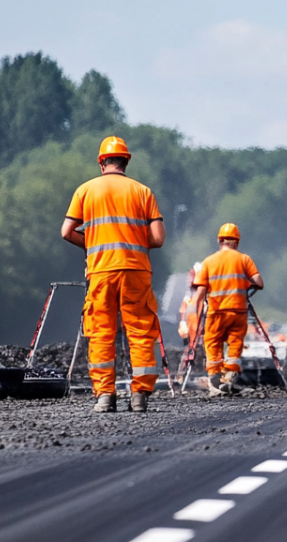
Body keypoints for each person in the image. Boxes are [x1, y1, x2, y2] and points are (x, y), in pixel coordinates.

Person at [62, 136, 165, 414]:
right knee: (140, 331)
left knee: (101, 332)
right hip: (135, 270)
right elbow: (158, 238)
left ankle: (105, 396)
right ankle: (139, 396)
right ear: (126, 162)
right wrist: (132, 241)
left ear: (101, 163)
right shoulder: (143, 192)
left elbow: (66, 231)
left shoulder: (85, 190)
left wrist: (95, 243)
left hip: (101, 271)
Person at [191, 223, 264, 394]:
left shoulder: (208, 262)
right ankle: (229, 377)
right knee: (235, 344)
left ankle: (215, 380)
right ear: (237, 242)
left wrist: (195, 312)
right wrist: (246, 286)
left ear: (219, 241)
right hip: (238, 311)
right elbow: (259, 283)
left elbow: (200, 293)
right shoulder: (244, 259)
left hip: (216, 312)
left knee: (213, 343)